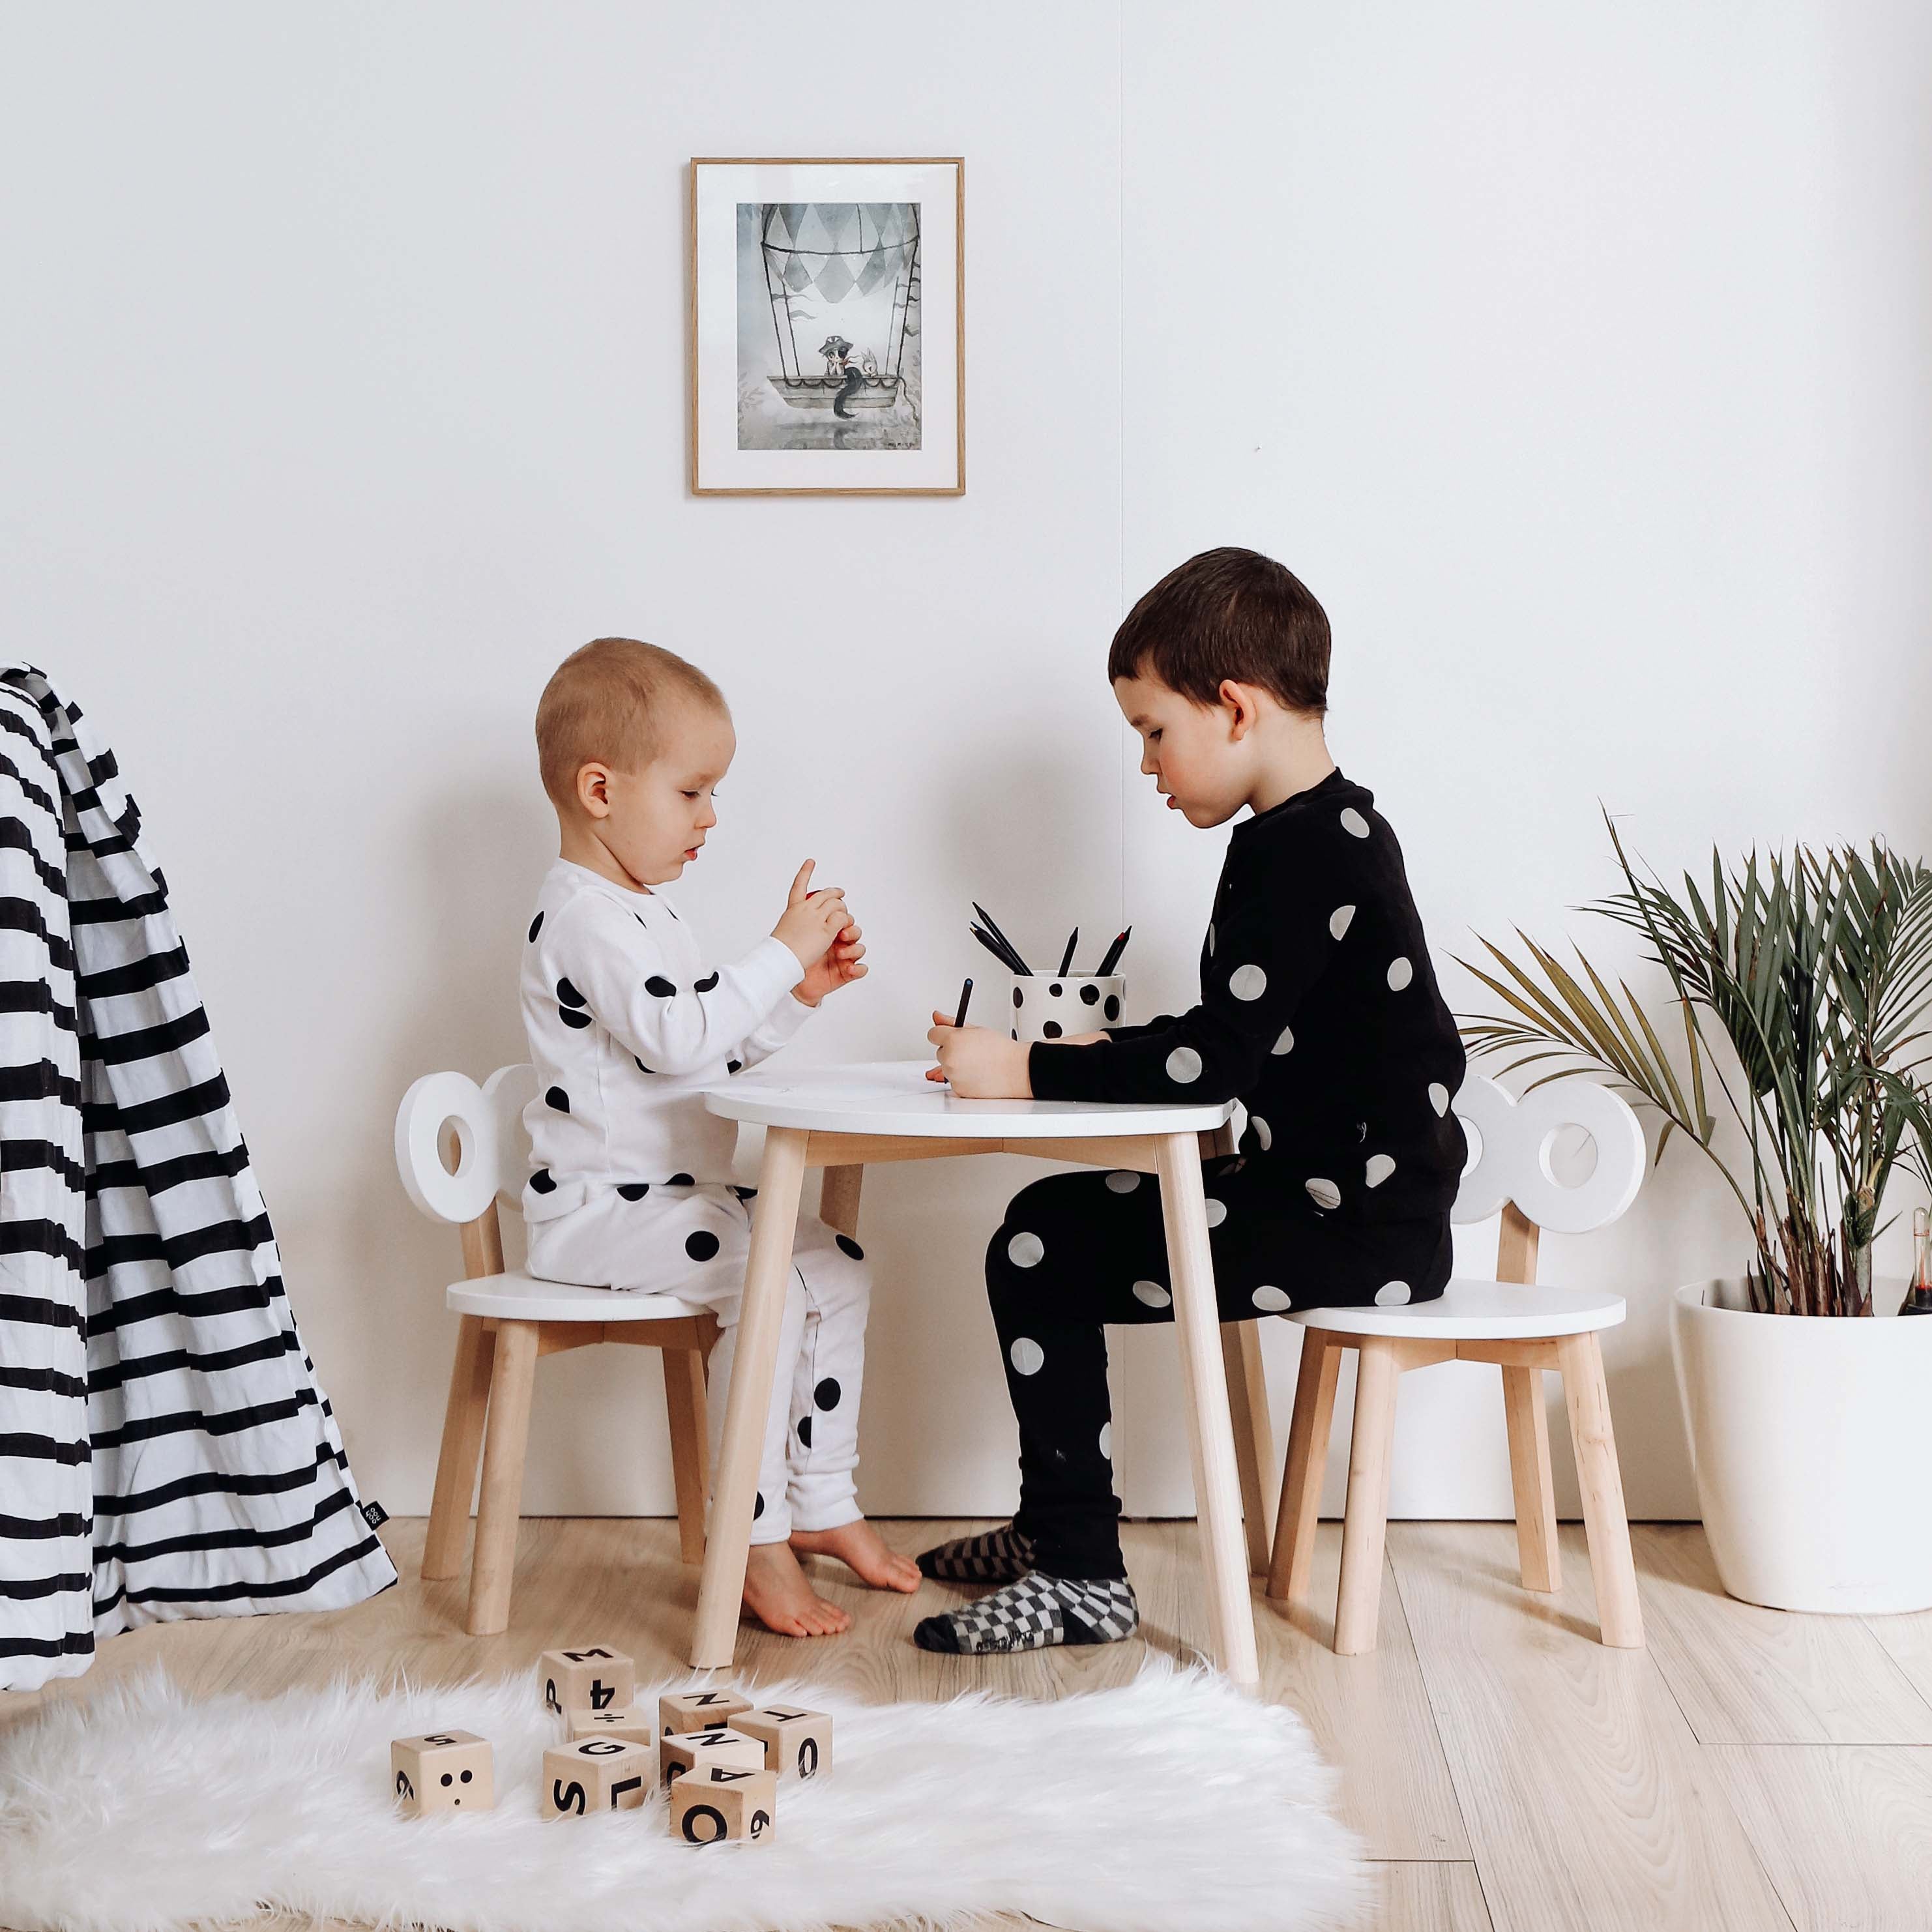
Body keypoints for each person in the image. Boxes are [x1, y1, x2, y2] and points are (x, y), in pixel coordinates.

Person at [916, 548, 1467, 1654]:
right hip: (1333, 1200)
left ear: (1233, 708)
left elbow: (1212, 1067)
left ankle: (1078, 1571)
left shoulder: (1304, 850)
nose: (1147, 764)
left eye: (1153, 731)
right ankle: (1054, 1528)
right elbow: (1235, 1042)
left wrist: (1025, 1067)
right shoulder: (1315, 832)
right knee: (1045, 1231)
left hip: (1358, 1226)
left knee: (1039, 1246)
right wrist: (1108, 1047)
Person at [521, 636, 918, 1637]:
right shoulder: (582, 919)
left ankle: (821, 1499)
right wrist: (781, 954)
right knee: (770, 1282)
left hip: (674, 1207)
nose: (710, 817)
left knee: (837, 1267)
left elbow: (698, 1058)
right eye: (693, 792)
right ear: (601, 790)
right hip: (597, 1217)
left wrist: (796, 997)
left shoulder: (647, 918)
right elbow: (680, 1034)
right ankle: (752, 1538)